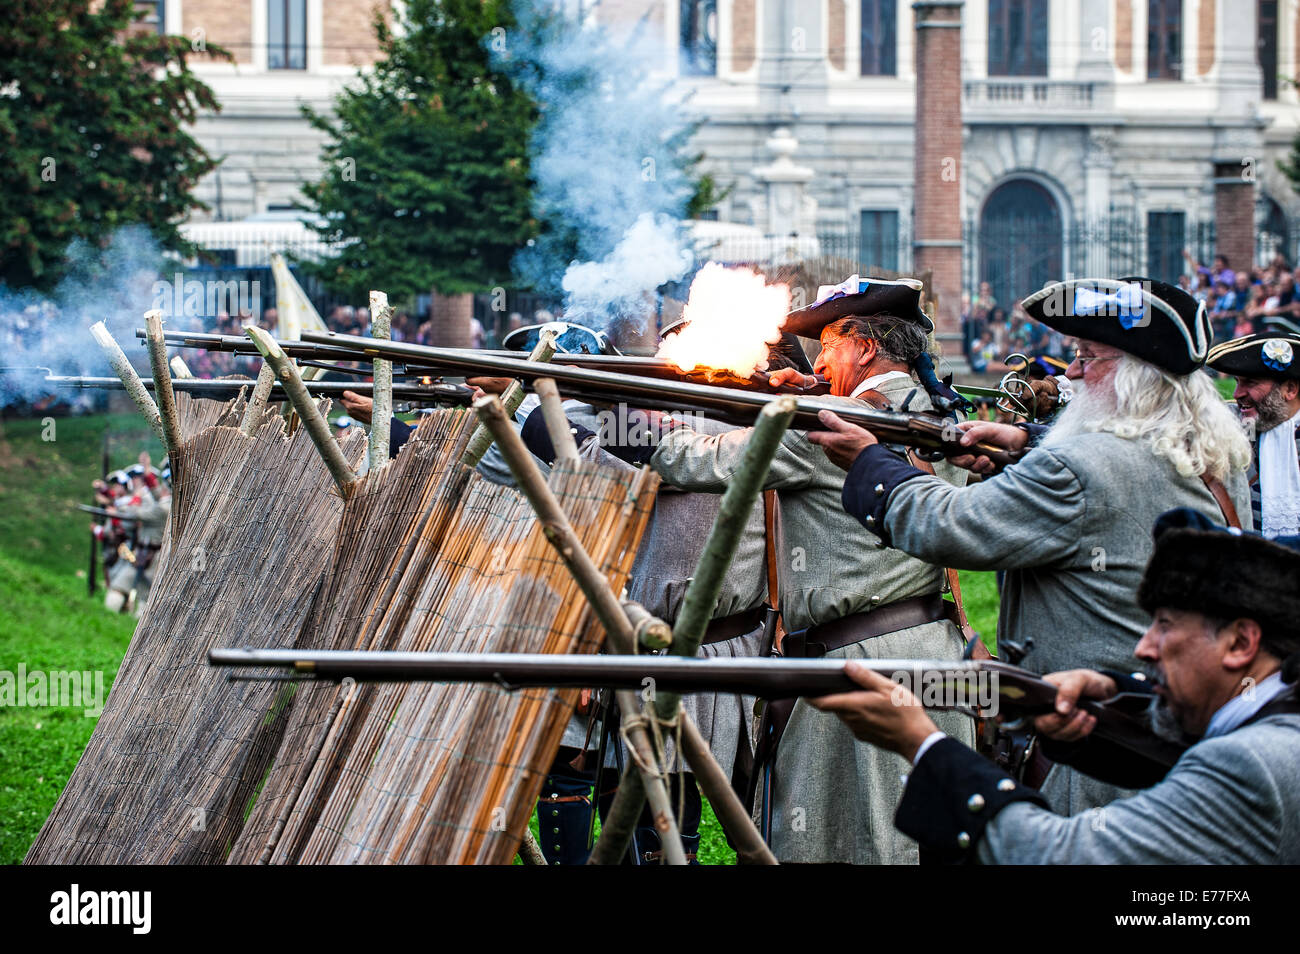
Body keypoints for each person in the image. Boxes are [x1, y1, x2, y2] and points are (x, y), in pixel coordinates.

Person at [564, 277, 976, 864]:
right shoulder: (939, 412)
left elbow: (699, 459)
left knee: (847, 845)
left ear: (862, 345)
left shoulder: (832, 421)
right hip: (933, 650)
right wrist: (782, 394)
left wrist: (615, 414)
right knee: (920, 843)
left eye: (830, 344)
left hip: (857, 666)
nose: (821, 359)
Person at [806, 276, 1252, 815]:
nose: (1072, 371)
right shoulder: (1192, 453)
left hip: (1091, 752)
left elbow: (946, 526)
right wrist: (1026, 446)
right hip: (1157, 731)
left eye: (1089, 356)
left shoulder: (1084, 468)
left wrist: (871, 460)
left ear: (1135, 377)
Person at [809, 507, 1300, 864]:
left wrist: (925, 744)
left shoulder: (1248, 763)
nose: (1146, 648)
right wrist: (1111, 693)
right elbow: (1184, 739)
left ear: (1240, 644)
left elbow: (1056, 853)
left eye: (1166, 625)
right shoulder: (1275, 710)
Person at [1207, 332, 1300, 537]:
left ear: (1290, 389)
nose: (1237, 393)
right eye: (1237, 382)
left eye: (1250, 383)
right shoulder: (1229, 424)